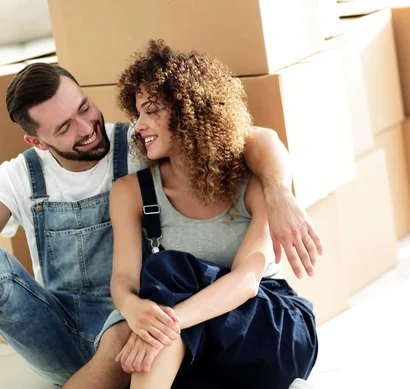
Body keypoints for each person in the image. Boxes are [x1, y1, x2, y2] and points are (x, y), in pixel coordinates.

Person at [0, 57, 321, 388]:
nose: (85, 128)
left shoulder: (136, 144)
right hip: (67, 327)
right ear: (38, 142)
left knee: (157, 295)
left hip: (132, 324)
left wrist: (279, 193)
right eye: (64, 127)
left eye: (84, 108)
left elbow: (253, 139)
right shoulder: (22, 176)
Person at [107, 40, 318, 389]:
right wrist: (133, 310)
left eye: (150, 110)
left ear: (189, 110)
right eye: (136, 115)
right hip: (198, 342)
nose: (138, 126)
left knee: (167, 271)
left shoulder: (252, 180)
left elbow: (246, 282)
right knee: (159, 309)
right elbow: (123, 280)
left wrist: (165, 323)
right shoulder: (131, 192)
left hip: (269, 329)